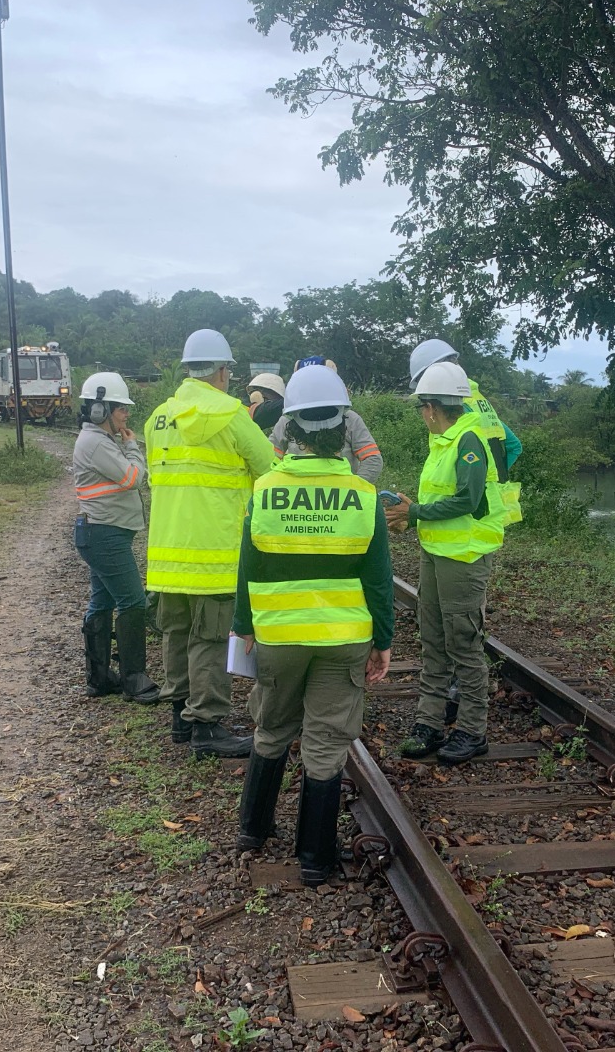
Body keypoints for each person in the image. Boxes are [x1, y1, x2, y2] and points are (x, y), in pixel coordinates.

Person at [233, 365, 394, 885]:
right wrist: (383, 642)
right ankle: (315, 859)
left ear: (292, 428)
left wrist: (244, 628)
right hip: (344, 639)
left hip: (277, 636)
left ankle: (252, 830)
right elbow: (378, 579)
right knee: (326, 743)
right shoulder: (363, 497)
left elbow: (247, 568)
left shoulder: (265, 488)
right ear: (343, 428)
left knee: (272, 727)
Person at [144, 328, 277, 757]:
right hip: (217, 552)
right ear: (222, 371)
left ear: (187, 370)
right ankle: (206, 727)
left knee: (176, 633)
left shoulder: (157, 418)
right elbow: (269, 470)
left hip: (166, 553)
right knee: (210, 639)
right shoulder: (233, 415)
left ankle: (179, 718)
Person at [383, 362, 505, 765]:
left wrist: (413, 512)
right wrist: (411, 513)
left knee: (464, 645)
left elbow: (468, 500)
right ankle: (429, 722)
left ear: (433, 408)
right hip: (436, 554)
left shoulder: (467, 440)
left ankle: (472, 730)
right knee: (433, 640)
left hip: (464, 558)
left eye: (422, 408)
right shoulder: (444, 442)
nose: (422, 416)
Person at [72, 372, 156, 701]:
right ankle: (134, 679)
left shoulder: (101, 441)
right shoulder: (95, 442)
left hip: (102, 533)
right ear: (100, 410)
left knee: (102, 601)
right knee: (133, 601)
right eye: (120, 409)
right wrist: (133, 446)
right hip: (104, 534)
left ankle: (100, 678)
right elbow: (134, 477)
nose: (126, 415)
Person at [408, 339, 522, 522]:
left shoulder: (451, 404)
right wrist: (487, 477)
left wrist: (473, 477)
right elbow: (514, 445)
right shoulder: (478, 399)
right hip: (491, 502)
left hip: (462, 512)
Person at [271, 359, 383, 482]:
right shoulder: (286, 420)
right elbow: (269, 458)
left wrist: (354, 489)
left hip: (339, 495)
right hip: (299, 495)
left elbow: (372, 459)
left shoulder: (350, 418)